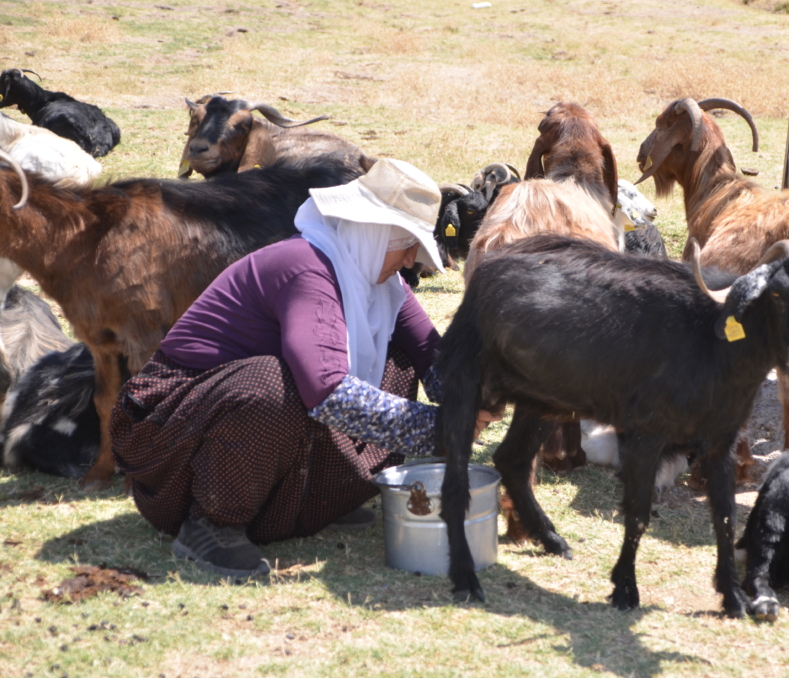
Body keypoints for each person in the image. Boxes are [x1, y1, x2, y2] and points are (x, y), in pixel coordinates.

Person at [110, 158, 501, 578]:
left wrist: (477, 397)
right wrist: (440, 427)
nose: (410, 261)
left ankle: (312, 500)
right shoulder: (304, 268)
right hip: (171, 444)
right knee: (272, 383)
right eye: (406, 243)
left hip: (235, 435)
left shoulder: (382, 285)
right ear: (371, 229)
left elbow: (431, 356)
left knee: (397, 362)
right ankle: (210, 523)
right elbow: (327, 389)